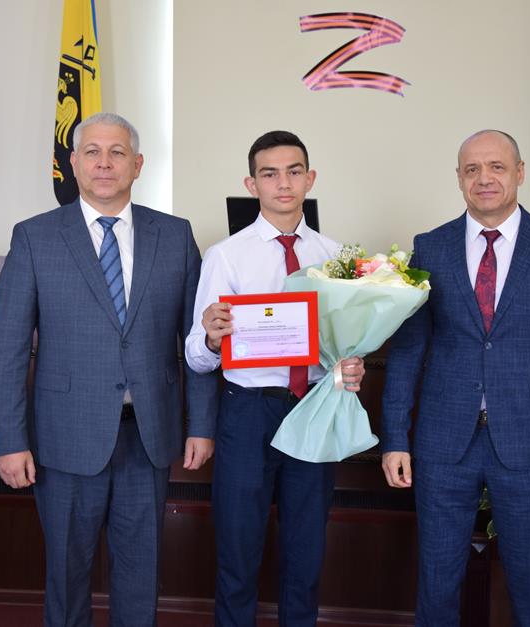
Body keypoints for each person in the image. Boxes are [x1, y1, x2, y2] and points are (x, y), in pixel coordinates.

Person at [0, 112, 218, 627]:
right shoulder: (35, 237)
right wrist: (9, 440)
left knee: (141, 574)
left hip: (148, 438)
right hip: (64, 439)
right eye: (92, 152)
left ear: (138, 164)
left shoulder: (175, 236)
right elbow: (6, 349)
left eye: (117, 152)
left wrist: (201, 424)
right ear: (73, 163)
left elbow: (198, 340)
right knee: (67, 574)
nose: (104, 163)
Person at [380, 129, 530, 626]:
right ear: (459, 179)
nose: (485, 178)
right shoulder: (430, 247)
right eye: (472, 169)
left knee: (529, 585)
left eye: (497, 167)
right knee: (437, 584)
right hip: (443, 442)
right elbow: (408, 351)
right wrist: (395, 438)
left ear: (519, 172)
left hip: (529, 442)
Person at [185, 130, 365, 626]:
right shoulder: (226, 255)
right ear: (252, 184)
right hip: (248, 411)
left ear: (310, 179)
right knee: (238, 550)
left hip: (315, 407)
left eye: (293, 171)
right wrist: (212, 339)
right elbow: (196, 357)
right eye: (270, 174)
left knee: (306, 552)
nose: (283, 183)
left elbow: (345, 342)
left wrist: (350, 365)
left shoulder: (337, 257)